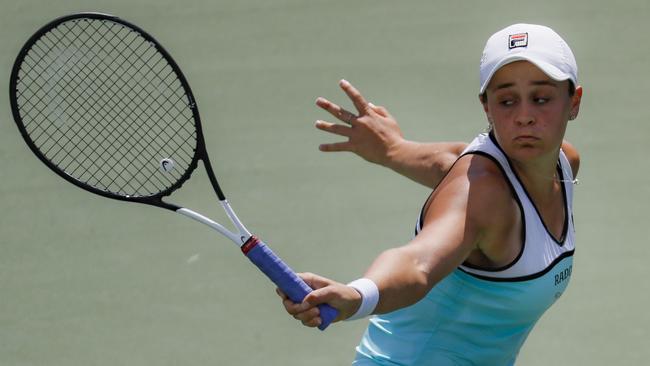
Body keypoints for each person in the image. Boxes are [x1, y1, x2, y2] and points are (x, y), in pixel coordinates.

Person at [278, 23, 583, 365]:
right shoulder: (481, 197)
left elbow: (450, 160)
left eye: (541, 99)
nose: (524, 116)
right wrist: (358, 294)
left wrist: (395, 149)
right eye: (507, 101)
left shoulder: (563, 163)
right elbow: (419, 263)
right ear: (487, 108)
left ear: (573, 101)